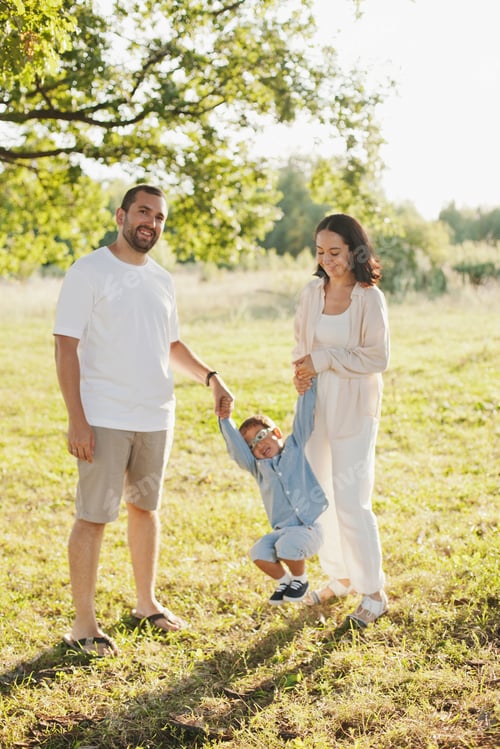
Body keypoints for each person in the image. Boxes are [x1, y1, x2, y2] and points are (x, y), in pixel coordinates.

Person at [53, 184, 234, 656]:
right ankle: (83, 624)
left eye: (159, 218)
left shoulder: (162, 279)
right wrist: (77, 418)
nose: (150, 223)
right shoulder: (88, 270)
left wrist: (210, 378)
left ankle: (145, 602)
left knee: (145, 509)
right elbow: (65, 345)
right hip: (104, 415)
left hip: (156, 415)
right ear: (121, 215)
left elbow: (170, 344)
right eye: (143, 212)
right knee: (94, 517)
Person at [292, 213, 390, 630]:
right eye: (320, 252)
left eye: (335, 251)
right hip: (314, 406)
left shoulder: (369, 298)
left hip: (354, 407)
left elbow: (377, 358)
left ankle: (374, 591)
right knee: (319, 500)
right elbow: (301, 345)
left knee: (352, 500)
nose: (327, 260)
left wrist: (325, 359)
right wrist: (301, 373)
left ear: (354, 250)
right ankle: (341, 576)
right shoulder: (312, 293)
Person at [219, 379, 328, 605]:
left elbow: (304, 419)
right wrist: (224, 419)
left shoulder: (294, 449)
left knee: (286, 546)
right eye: (252, 446)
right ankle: (286, 581)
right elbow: (237, 450)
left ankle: (301, 578)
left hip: (308, 527)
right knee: (258, 552)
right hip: (282, 531)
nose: (258, 446)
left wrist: (307, 387)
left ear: (276, 432)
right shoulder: (258, 469)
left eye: (260, 437)